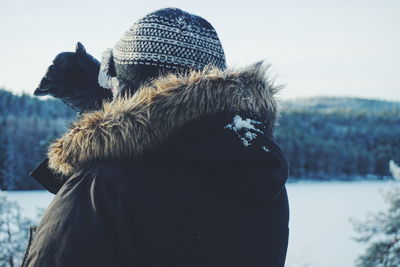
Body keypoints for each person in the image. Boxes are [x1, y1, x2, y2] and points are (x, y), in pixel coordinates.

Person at [23, 8, 289, 267]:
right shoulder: (256, 171)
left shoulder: (103, 188)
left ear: (128, 87)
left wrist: (106, 126)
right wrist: (110, 110)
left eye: (111, 80)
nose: (108, 87)